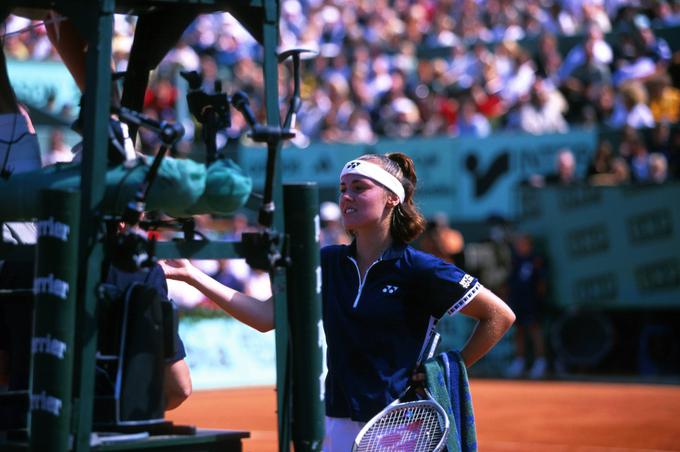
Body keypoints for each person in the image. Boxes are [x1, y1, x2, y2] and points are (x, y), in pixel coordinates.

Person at [161, 152, 515, 450]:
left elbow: (499, 315)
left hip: (401, 423)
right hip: (335, 420)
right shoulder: (327, 262)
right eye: (344, 189)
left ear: (393, 198)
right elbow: (266, 316)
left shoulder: (421, 268)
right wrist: (193, 275)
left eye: (359, 188)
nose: (347, 196)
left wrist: (447, 368)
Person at [504, 233, 548, 379]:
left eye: (522, 243)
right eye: (518, 243)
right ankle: (519, 362)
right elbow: (510, 282)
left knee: (535, 330)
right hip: (517, 301)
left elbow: (542, 283)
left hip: (532, 302)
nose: (518, 246)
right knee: (519, 331)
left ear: (529, 244)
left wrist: (538, 300)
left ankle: (540, 362)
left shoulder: (537, 260)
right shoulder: (515, 260)